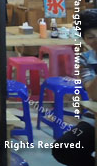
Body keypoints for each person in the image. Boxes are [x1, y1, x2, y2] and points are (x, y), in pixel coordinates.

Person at [52, 9, 97, 165]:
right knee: (63, 148)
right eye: (91, 37)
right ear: (85, 39)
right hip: (92, 121)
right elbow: (93, 93)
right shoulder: (85, 59)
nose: (96, 40)